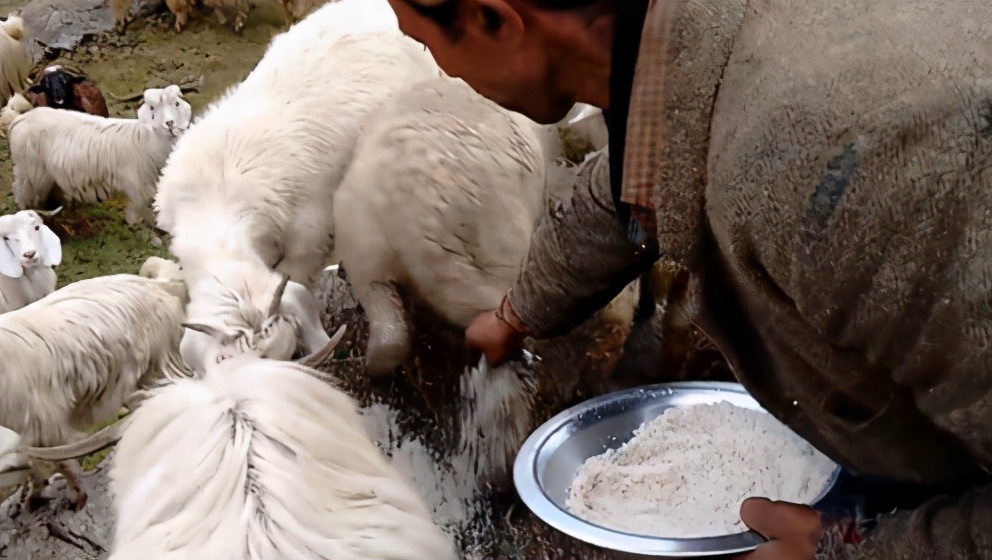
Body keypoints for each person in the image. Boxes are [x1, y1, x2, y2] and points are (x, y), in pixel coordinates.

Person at [386, 0, 992, 559]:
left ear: (496, 17)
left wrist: (849, 549)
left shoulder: (839, 180)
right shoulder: (705, 42)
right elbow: (643, 168)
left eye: (423, 39)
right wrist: (518, 312)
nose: (441, 70)